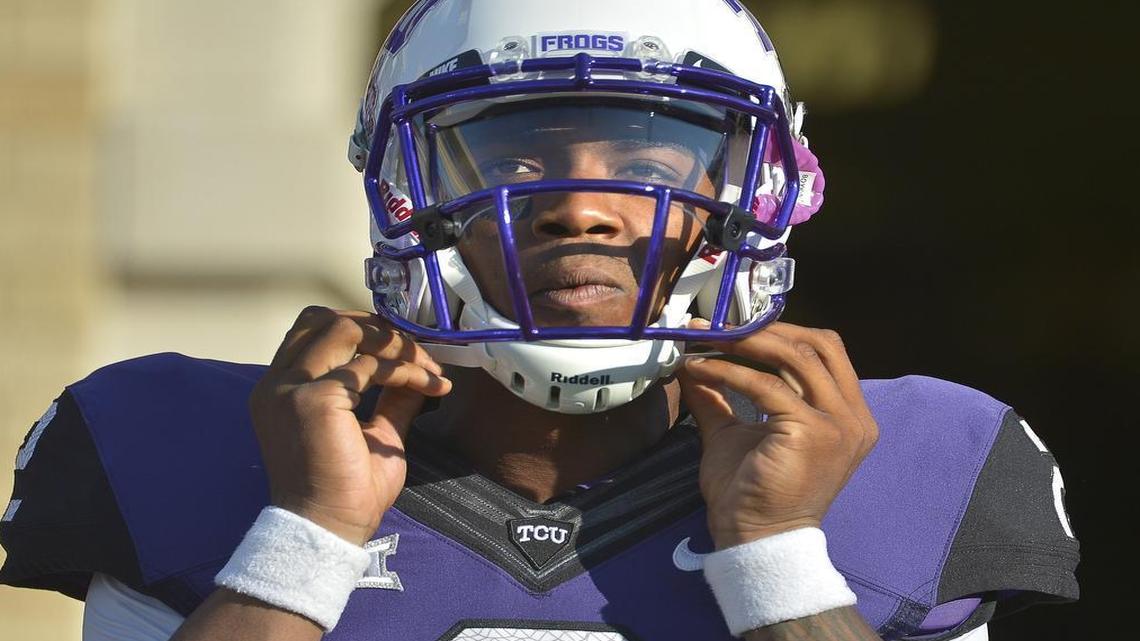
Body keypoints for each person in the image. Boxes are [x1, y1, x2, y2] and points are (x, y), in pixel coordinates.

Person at [0, 1, 1080, 639]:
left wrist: (782, 557)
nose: (580, 202)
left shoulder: (930, 464)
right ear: (398, 186)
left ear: (761, 191)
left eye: (652, 159)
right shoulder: (172, 441)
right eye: (518, 154)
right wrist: (300, 541)